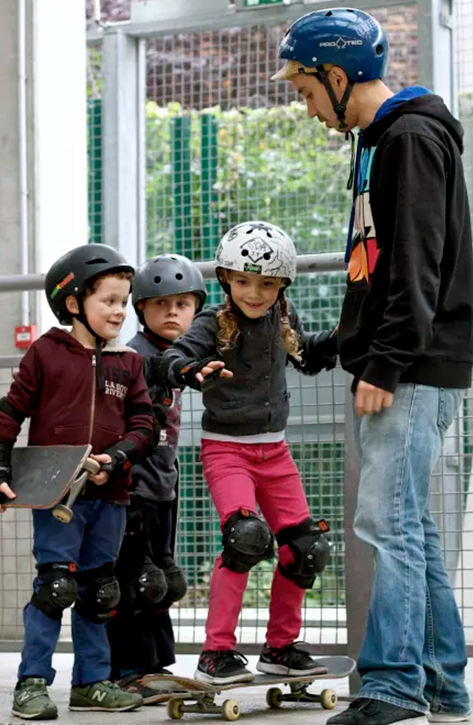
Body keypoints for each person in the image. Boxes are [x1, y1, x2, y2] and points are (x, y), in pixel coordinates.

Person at [272, 8, 473, 725]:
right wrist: (330, 345)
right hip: (408, 360)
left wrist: (383, 365)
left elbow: (418, 267)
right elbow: (376, 274)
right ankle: (444, 683)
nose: (305, 106)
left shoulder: (410, 139)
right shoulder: (377, 142)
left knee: (386, 525)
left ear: (335, 75)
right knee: (407, 526)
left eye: (303, 90)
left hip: (414, 370)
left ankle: (390, 685)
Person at [153, 221, 337, 685]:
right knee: (245, 538)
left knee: (304, 547)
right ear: (226, 280)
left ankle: (280, 647)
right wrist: (193, 370)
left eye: (267, 283)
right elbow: (170, 360)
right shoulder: (212, 322)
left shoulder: (285, 320)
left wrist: (342, 336)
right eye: (243, 281)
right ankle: (216, 652)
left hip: (275, 453)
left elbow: (309, 357)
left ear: (282, 285)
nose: (254, 293)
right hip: (227, 451)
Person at [0, 244, 157, 720]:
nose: (121, 311)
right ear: (74, 302)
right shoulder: (47, 353)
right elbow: (8, 413)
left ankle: (92, 683)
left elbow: (145, 427)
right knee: (56, 587)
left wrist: (115, 458)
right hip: (57, 494)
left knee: (101, 590)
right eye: (110, 301)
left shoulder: (130, 363)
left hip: (110, 494)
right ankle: (32, 683)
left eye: (125, 301)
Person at [107, 253, 207, 701]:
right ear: (141, 308)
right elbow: (153, 372)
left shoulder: (177, 353)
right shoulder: (137, 355)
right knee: (136, 579)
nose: (173, 312)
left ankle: (154, 665)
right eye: (162, 303)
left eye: (183, 304)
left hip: (164, 484)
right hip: (132, 488)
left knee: (162, 580)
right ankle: (128, 668)